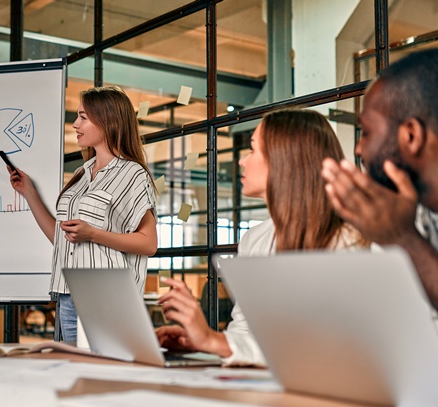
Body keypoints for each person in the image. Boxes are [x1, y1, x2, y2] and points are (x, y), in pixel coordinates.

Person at [156, 109, 367, 367]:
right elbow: (244, 331)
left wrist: (214, 341)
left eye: (253, 149)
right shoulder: (254, 239)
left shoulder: (350, 240)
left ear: (284, 160)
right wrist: (202, 342)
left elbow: (332, 345)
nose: (242, 161)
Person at [9, 86, 157, 342]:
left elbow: (149, 243)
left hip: (106, 294)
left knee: (105, 373)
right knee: (77, 373)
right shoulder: (80, 175)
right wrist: (29, 193)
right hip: (69, 292)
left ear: (107, 121)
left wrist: (93, 234)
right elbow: (61, 239)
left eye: (83, 117)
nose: (75, 124)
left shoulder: (133, 174)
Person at [322, 48, 438, 310]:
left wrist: (403, 239)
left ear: (411, 135)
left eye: (366, 132)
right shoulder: (411, 211)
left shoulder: (400, 226)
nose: (358, 150)